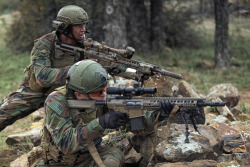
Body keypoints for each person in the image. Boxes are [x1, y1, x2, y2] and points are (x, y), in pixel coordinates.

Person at [0, 5, 135, 131]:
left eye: (84, 25)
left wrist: (136, 72)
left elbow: (111, 63)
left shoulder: (87, 46)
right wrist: (78, 68)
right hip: (36, 92)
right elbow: (42, 77)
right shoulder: (45, 43)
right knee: (3, 114)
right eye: (78, 25)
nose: (83, 29)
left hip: (68, 93)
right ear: (64, 27)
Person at [35, 60, 174, 167]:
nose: (104, 95)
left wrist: (159, 114)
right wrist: (101, 123)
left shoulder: (105, 99)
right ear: (79, 94)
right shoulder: (56, 101)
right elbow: (66, 144)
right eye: (97, 92)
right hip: (57, 162)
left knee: (115, 158)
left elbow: (138, 127)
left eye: (105, 89)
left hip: (89, 157)